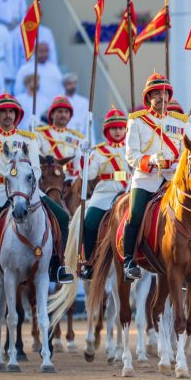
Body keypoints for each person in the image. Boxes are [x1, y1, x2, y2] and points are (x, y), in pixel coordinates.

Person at [0, 93, 74, 288]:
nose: (8, 115)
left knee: (62, 217)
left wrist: (28, 189)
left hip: (26, 190)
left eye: (11, 112)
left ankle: (58, 265)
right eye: (3, 112)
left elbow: (37, 169)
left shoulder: (28, 138)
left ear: (16, 115)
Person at [122, 72, 188, 281]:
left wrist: (182, 163)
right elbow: (131, 155)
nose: (162, 97)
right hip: (146, 179)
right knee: (135, 214)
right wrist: (150, 159)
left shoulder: (180, 122)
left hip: (173, 180)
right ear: (148, 97)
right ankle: (129, 260)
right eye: (156, 93)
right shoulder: (137, 121)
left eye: (165, 93)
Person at [80, 107, 130, 280]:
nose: (118, 131)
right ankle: (89, 261)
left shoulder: (130, 149)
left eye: (121, 128)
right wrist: (85, 156)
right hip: (105, 194)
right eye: (114, 128)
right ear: (107, 131)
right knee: (89, 221)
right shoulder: (100, 151)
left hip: (127, 192)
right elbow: (89, 175)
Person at [36, 95, 84, 180]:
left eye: (66, 112)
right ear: (52, 115)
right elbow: (35, 154)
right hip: (48, 177)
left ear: (70, 116)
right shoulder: (41, 134)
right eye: (60, 111)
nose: (63, 115)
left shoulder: (76, 137)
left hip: (69, 178)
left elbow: (78, 160)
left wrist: (77, 179)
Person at [14, 42, 62, 119]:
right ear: (35, 51)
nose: (44, 54)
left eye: (46, 51)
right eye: (41, 51)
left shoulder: (54, 69)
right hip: (29, 107)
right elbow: (18, 90)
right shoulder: (26, 69)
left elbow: (61, 90)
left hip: (49, 109)